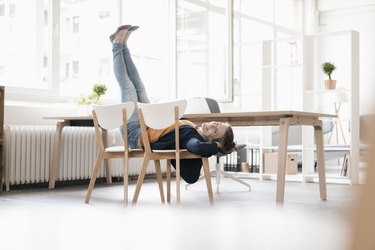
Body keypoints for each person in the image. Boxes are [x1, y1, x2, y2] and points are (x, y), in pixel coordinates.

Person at [111, 25, 236, 183]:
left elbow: (193, 167)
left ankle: (117, 44)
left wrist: (216, 148)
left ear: (212, 140)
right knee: (138, 85)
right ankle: (123, 46)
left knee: (127, 87)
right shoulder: (191, 127)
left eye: (215, 130)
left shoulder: (192, 138)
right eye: (216, 123)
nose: (211, 125)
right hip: (146, 124)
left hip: (135, 134)